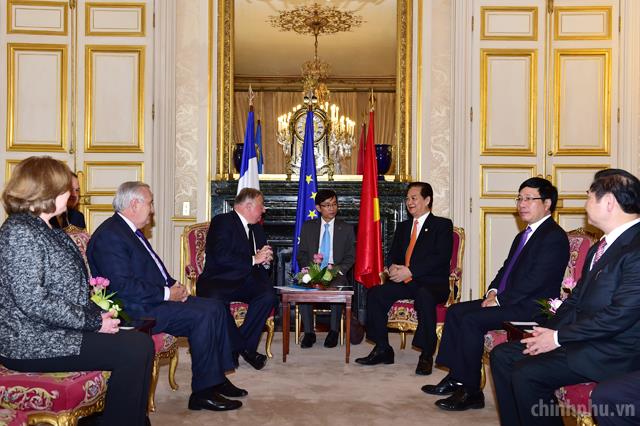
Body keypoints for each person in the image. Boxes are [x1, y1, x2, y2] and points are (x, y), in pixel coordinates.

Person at [0, 157, 153, 426]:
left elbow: (73, 290)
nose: (71, 193)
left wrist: (101, 316)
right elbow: (33, 301)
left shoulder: (50, 228)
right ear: (46, 189)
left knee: (137, 339)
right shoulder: (19, 231)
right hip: (31, 341)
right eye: (65, 187)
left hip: (58, 330)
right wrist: (94, 322)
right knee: (135, 348)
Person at [490, 169, 640, 426]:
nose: (585, 203)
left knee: (528, 373)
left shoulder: (636, 249)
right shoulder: (600, 246)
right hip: (582, 339)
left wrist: (558, 338)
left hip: (612, 351)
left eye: (589, 196)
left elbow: (618, 316)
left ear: (609, 202)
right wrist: (548, 332)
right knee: (502, 356)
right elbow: (575, 300)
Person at [87, 181, 243, 412]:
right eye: (150, 204)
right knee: (204, 315)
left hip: (149, 300)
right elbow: (123, 287)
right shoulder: (110, 236)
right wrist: (168, 293)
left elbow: (151, 271)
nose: (152, 210)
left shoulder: (127, 231)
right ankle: (203, 393)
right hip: (132, 310)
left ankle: (216, 378)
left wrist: (173, 286)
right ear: (134, 204)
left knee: (216, 306)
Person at [422, 177, 569, 411]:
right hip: (510, 300)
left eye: (529, 199)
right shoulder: (524, 235)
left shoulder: (553, 236)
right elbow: (506, 269)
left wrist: (498, 300)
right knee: (456, 311)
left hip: (530, 307)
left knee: (471, 320)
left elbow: (535, 282)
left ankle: (472, 392)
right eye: (519, 198)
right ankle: (457, 377)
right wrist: (492, 291)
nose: (522, 204)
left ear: (547, 203)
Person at [356, 182, 453, 375]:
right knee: (375, 293)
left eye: (414, 198)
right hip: (406, 283)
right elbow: (393, 254)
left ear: (427, 200)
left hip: (432, 283)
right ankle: (383, 348)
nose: (409, 202)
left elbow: (440, 258)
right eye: (407, 199)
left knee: (424, 295)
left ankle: (426, 354)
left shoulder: (442, 225)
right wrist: (392, 267)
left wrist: (410, 271)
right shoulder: (403, 226)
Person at [196, 188, 277, 370]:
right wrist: (254, 259)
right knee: (215, 300)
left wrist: (266, 261)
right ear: (248, 206)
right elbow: (221, 256)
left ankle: (235, 348)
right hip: (220, 280)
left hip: (246, 280)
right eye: (261, 205)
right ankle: (245, 350)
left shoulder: (257, 228)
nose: (264, 209)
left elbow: (263, 260)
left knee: (268, 296)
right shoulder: (223, 221)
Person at [297, 189, 356, 348]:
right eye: (327, 205)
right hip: (314, 270)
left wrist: (337, 270)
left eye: (334, 204)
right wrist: (309, 269)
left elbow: (351, 256)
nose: (332, 208)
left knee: (337, 286)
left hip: (335, 272)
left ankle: (334, 331)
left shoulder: (346, 228)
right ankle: (309, 333)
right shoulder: (308, 227)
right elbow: (301, 254)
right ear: (318, 207)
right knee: (304, 285)